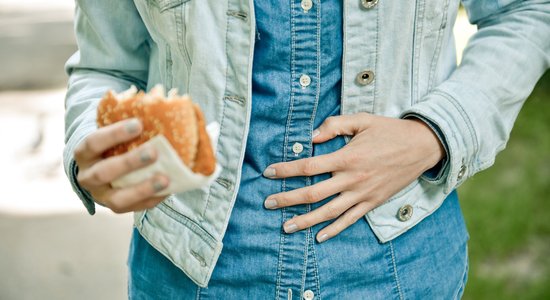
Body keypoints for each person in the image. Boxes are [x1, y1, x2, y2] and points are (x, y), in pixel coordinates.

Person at [63, 0, 549, 298]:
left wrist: (434, 132)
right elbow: (106, 68)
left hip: (396, 272)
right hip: (192, 276)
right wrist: (96, 149)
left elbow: (527, 10)